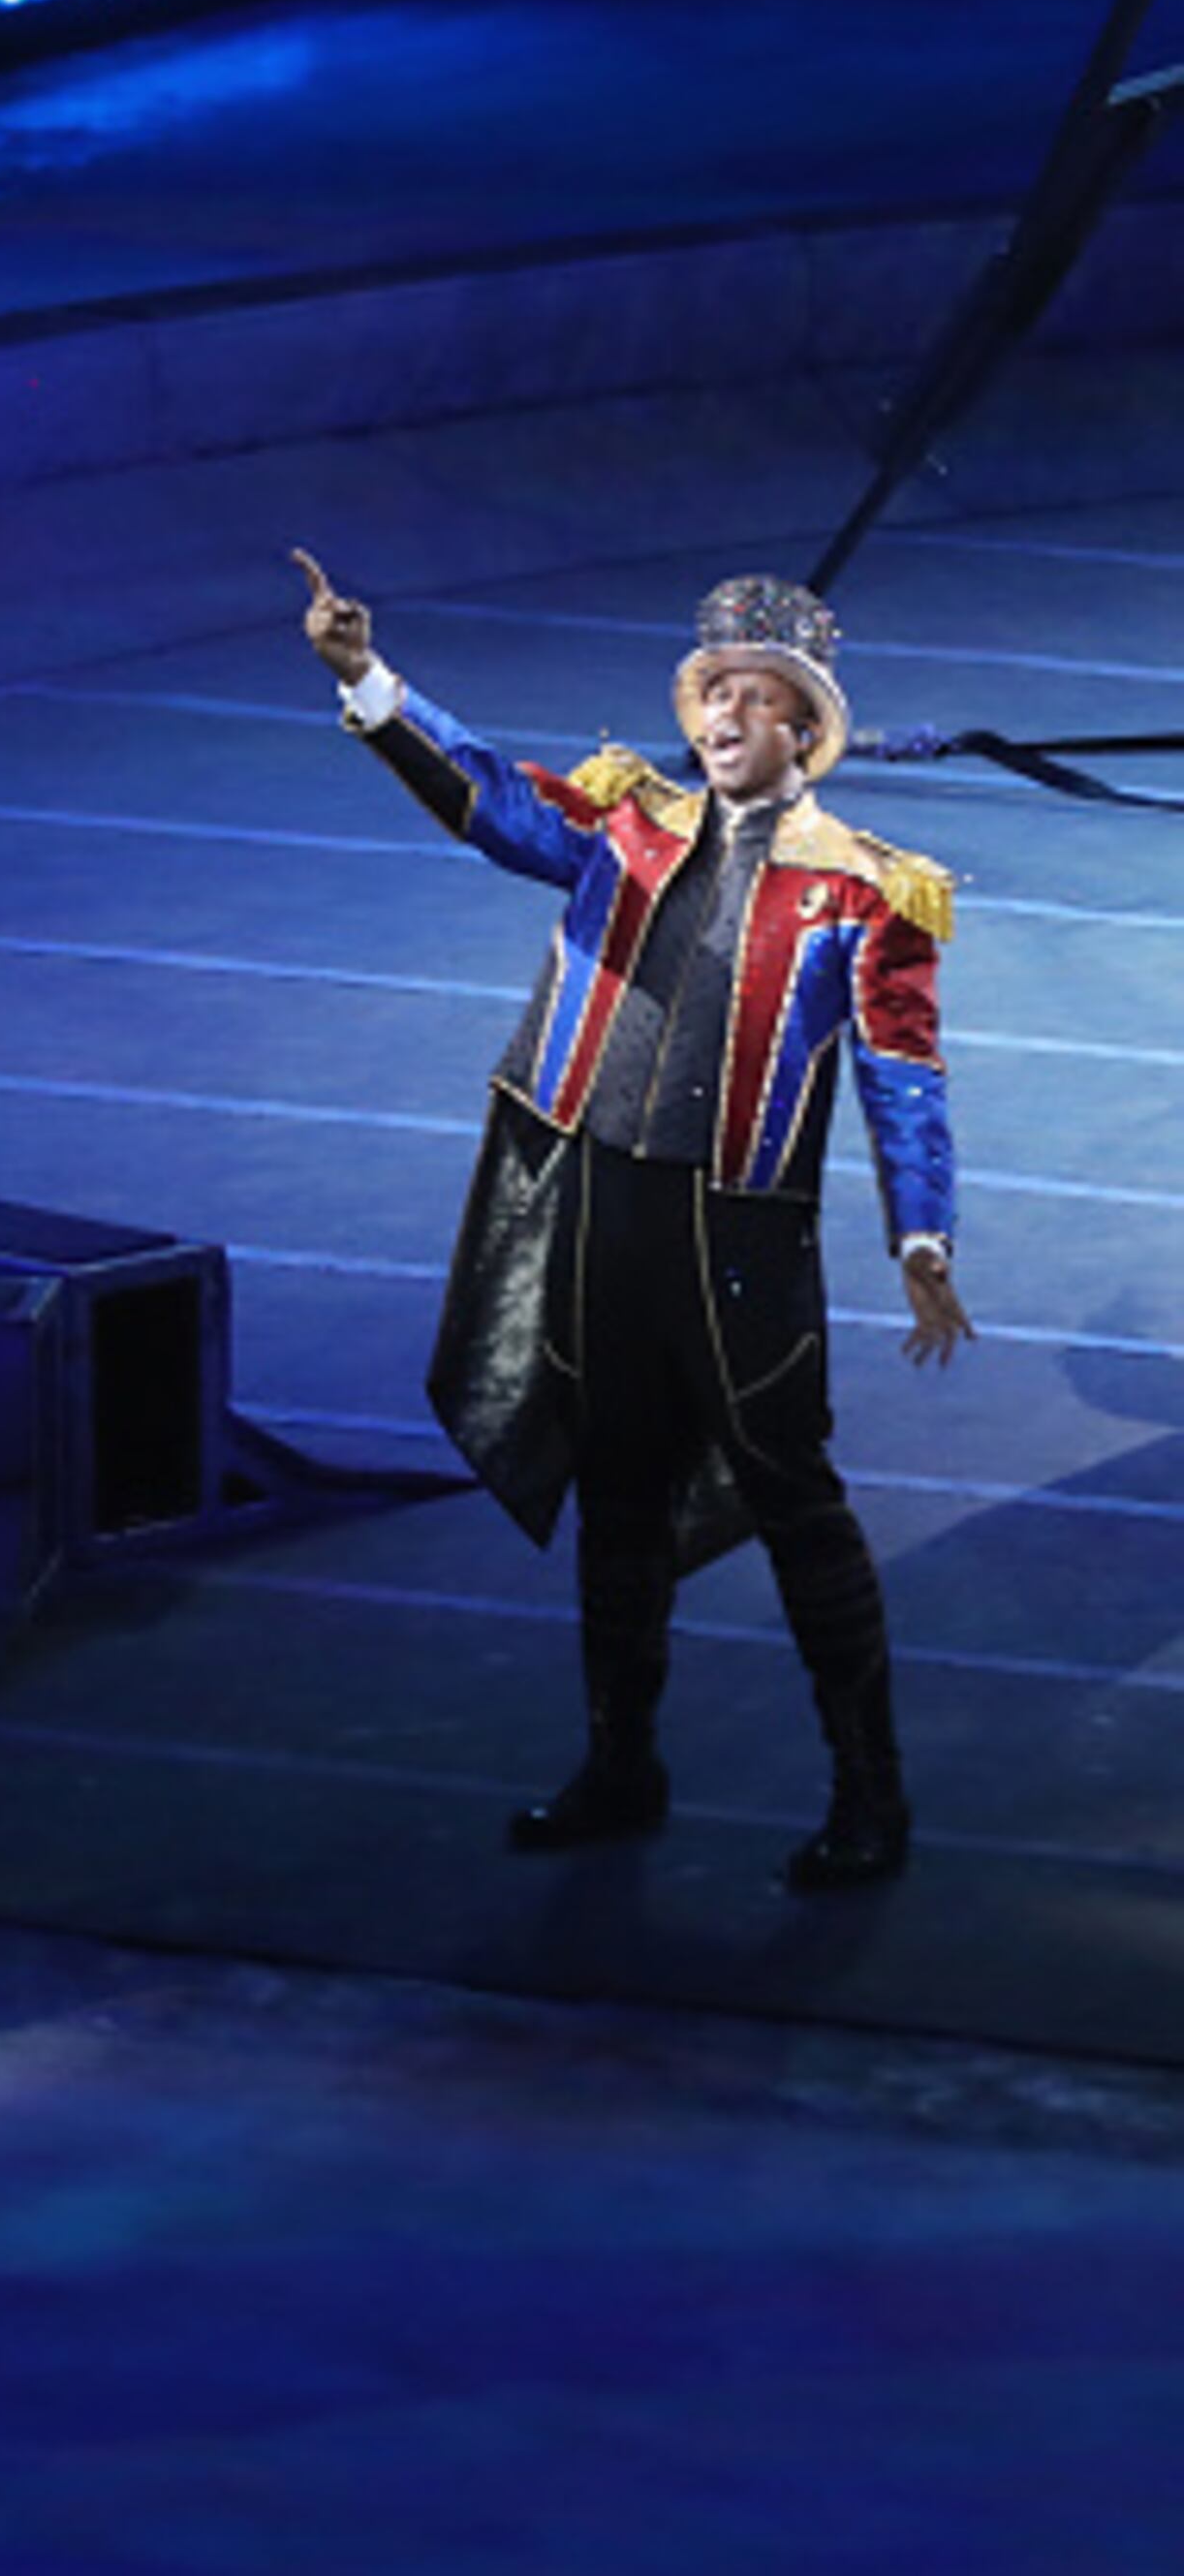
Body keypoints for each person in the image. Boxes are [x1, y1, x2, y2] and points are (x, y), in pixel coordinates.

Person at [294, 551, 974, 1891]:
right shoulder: (625, 825)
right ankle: (622, 1766)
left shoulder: (869, 893)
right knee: (617, 1498)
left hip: (739, 1240)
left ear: (801, 729)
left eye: (750, 698)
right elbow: (486, 800)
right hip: (602, 1207)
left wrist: (922, 1236)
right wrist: (365, 679)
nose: (719, 715)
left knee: (798, 1506)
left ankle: (872, 1798)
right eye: (709, 692)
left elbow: (905, 1072)